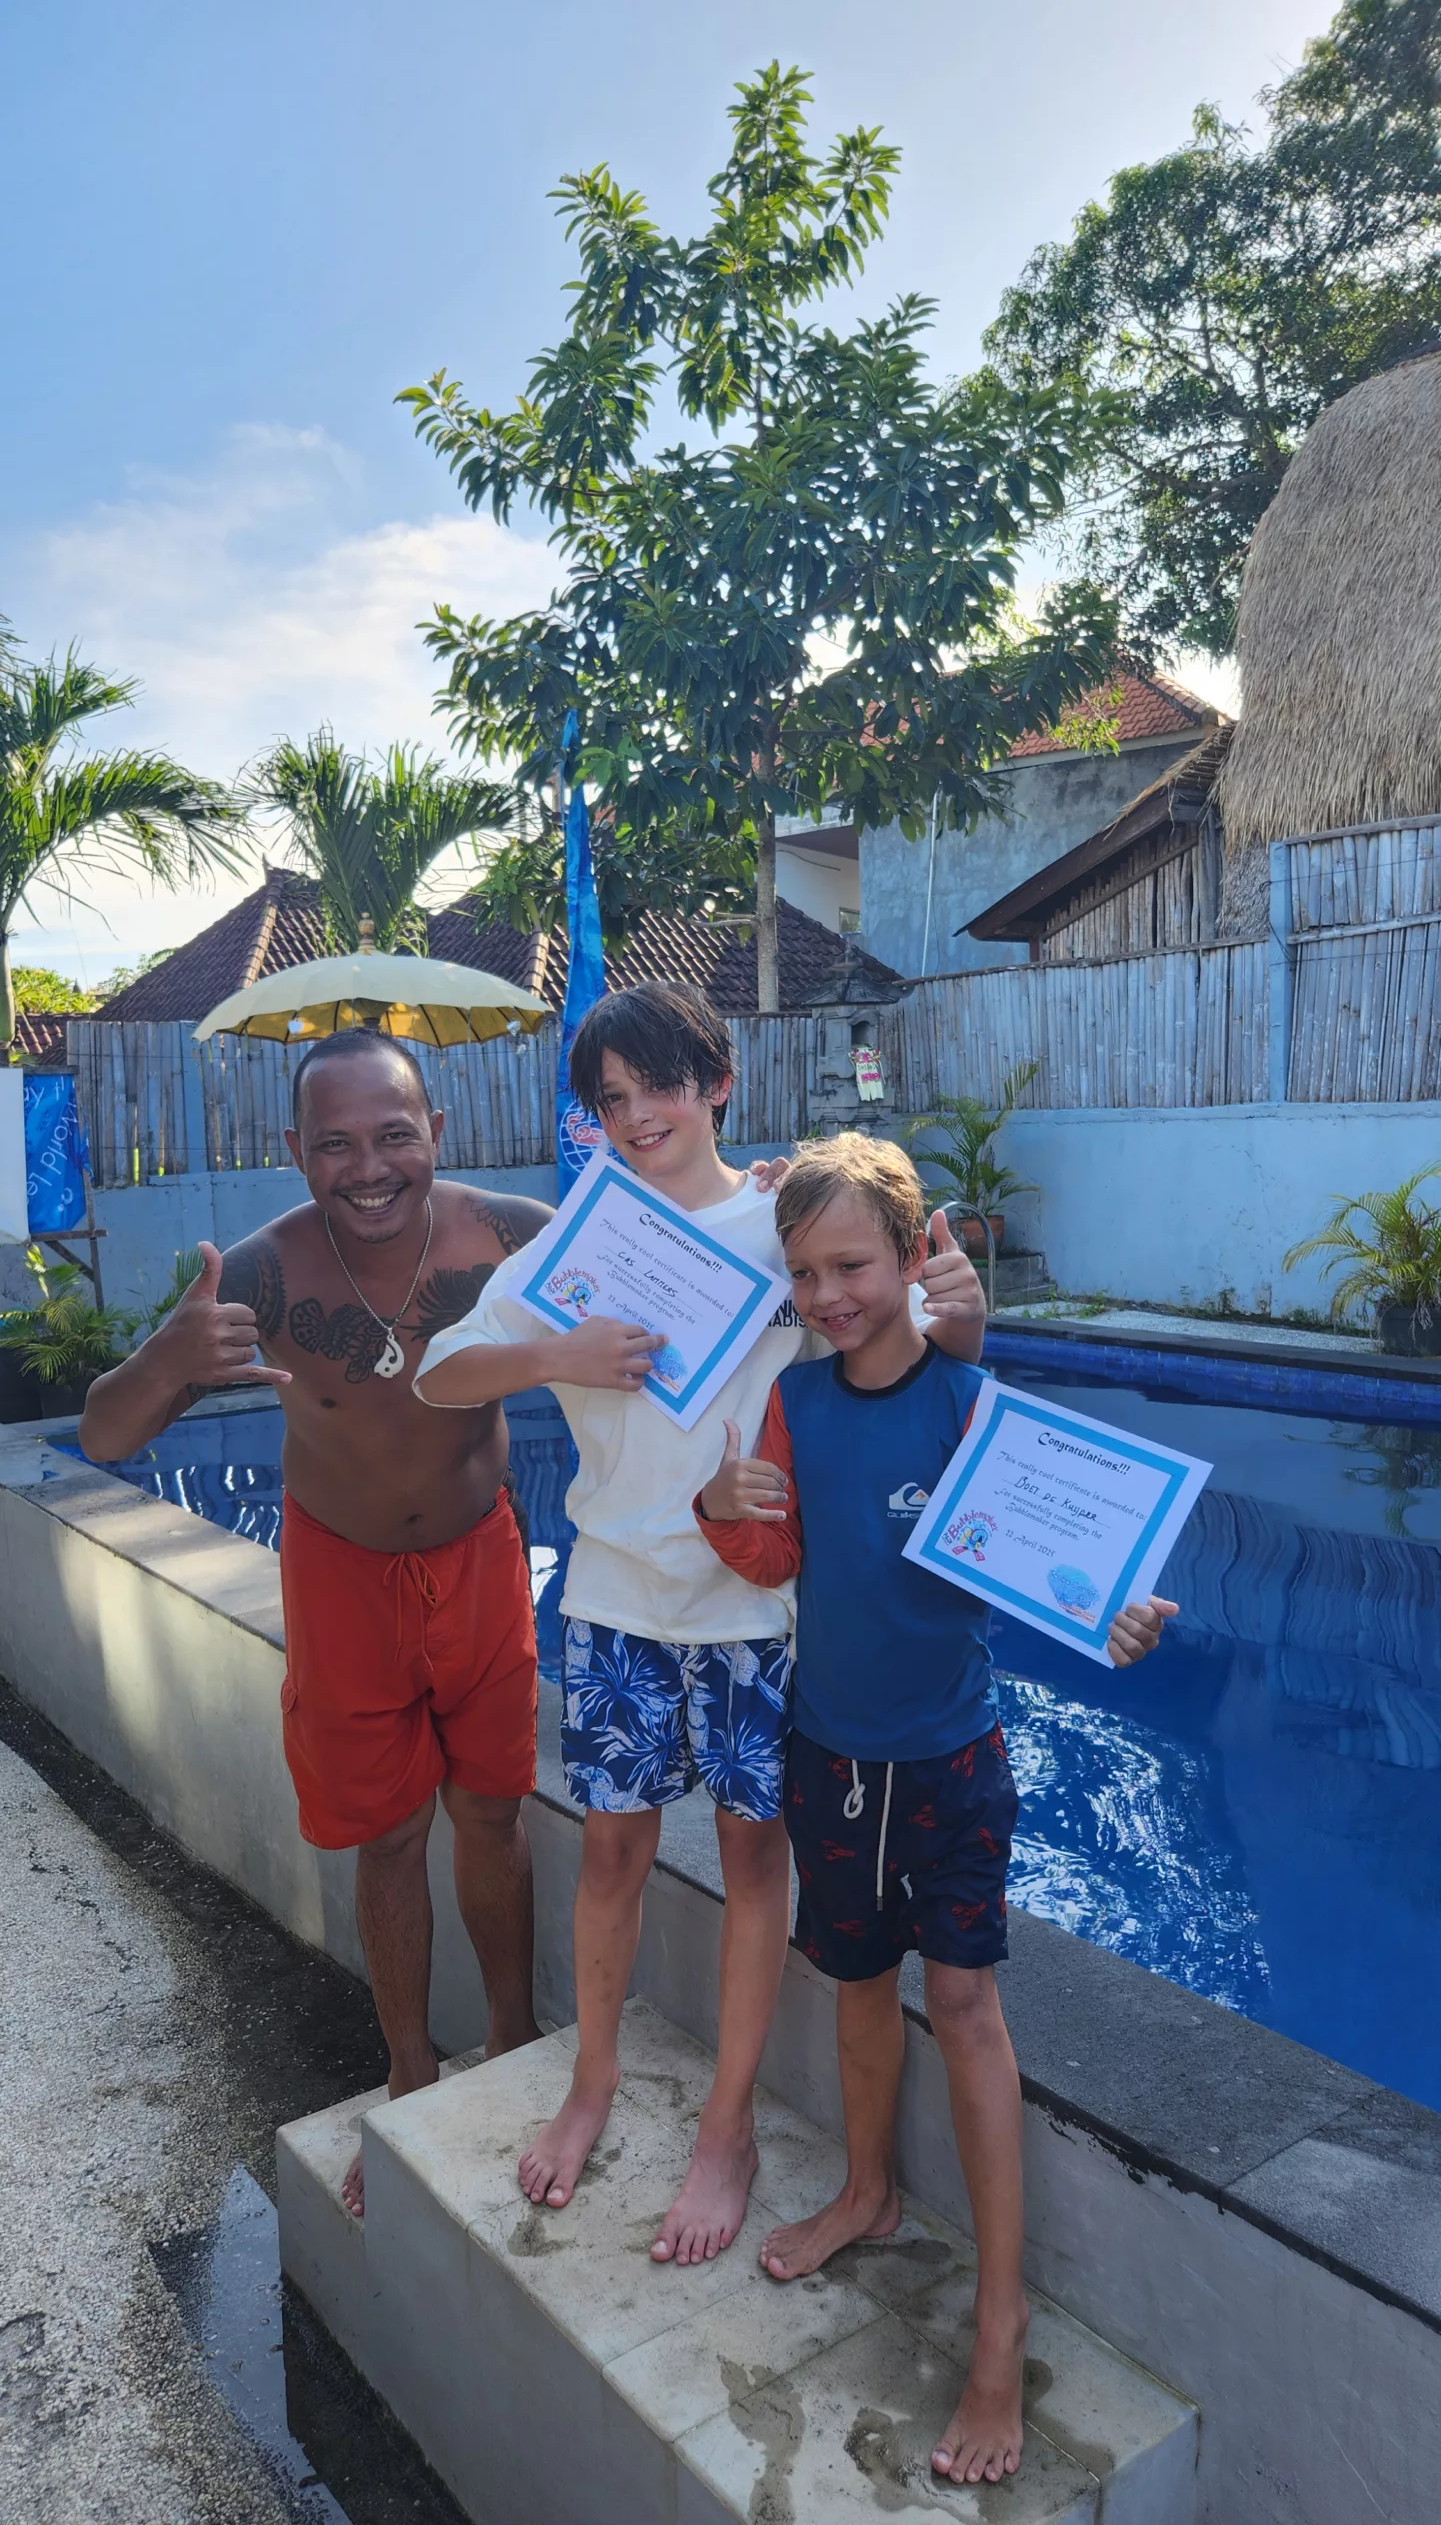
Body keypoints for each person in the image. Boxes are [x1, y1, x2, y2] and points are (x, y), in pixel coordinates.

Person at [412, 981, 989, 2267]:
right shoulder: (577, 1243)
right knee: (610, 1852)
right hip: (617, 1598)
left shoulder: (778, 1224)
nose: (634, 1118)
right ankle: (593, 2081)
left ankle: (724, 2124)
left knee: (748, 1863)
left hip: (758, 1610)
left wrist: (959, 1303)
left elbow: (899, 1330)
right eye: (607, 1101)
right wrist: (553, 1356)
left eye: (656, 1088)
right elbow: (438, 1371)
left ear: (716, 1082)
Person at [694, 1132, 1176, 2489]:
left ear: (916, 1258)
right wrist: (716, 1502)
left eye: (851, 1264)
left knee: (962, 2009)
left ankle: (998, 2322)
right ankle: (867, 2188)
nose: (827, 1293)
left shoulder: (972, 1404)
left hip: (952, 1761)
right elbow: (774, 1549)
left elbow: (1057, 1561)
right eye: (803, 1273)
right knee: (854, 1986)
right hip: (830, 1757)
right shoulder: (795, 1402)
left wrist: (1117, 1613)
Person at [78, 1027, 588, 2216]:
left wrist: (760, 1198)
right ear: (298, 1151)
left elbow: (686, 1276)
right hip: (342, 1572)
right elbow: (102, 1438)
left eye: (395, 1135)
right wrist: (166, 1356)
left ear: (438, 1134)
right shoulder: (261, 1272)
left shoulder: (511, 1237)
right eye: (338, 1143)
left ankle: (512, 2032)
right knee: (388, 1833)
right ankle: (407, 2065)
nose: (370, 1166)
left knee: (492, 1813)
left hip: (477, 1560)